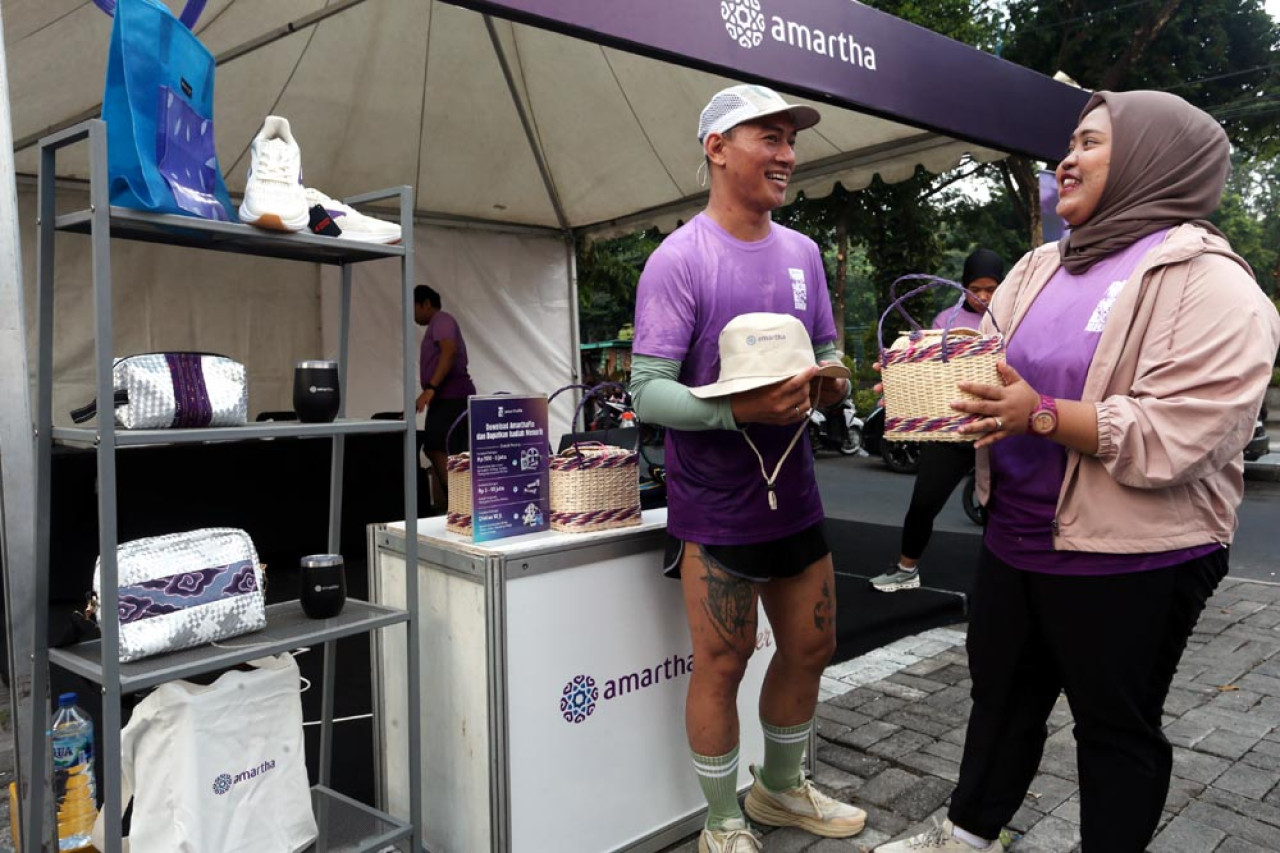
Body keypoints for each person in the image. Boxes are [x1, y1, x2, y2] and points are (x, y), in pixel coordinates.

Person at [875, 91, 1280, 853]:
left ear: (1153, 159)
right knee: (1001, 697)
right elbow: (984, 365)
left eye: (1091, 142)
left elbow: (1185, 431)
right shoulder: (1039, 266)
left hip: (1135, 554)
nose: (1066, 157)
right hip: (1015, 535)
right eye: (1068, 142)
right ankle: (966, 834)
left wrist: (1043, 413)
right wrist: (924, 373)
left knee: (1112, 727)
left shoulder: (1213, 284)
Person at [631, 84, 866, 853]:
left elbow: (827, 352)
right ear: (717, 147)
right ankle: (722, 820)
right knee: (723, 663)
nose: (788, 154)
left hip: (794, 495)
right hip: (717, 504)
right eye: (769, 137)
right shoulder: (679, 259)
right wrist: (739, 412)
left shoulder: (800, 254)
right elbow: (647, 392)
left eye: (790, 140)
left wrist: (831, 382)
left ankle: (779, 790)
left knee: (810, 647)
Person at [871, 248, 1005, 592]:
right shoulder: (946, 321)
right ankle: (906, 568)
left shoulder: (1013, 317)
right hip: (950, 429)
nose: (984, 296)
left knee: (1000, 509)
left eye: (992, 288)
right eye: (977, 288)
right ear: (963, 287)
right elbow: (925, 368)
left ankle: (1000, 581)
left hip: (998, 430)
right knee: (924, 502)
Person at [413, 284, 477, 510]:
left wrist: (430, 387)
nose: (413, 314)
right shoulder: (436, 324)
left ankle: (458, 501)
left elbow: (449, 350)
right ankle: (451, 502)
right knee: (442, 449)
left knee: (435, 447)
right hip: (445, 397)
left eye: (415, 307)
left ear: (426, 304)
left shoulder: (441, 320)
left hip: (452, 395)